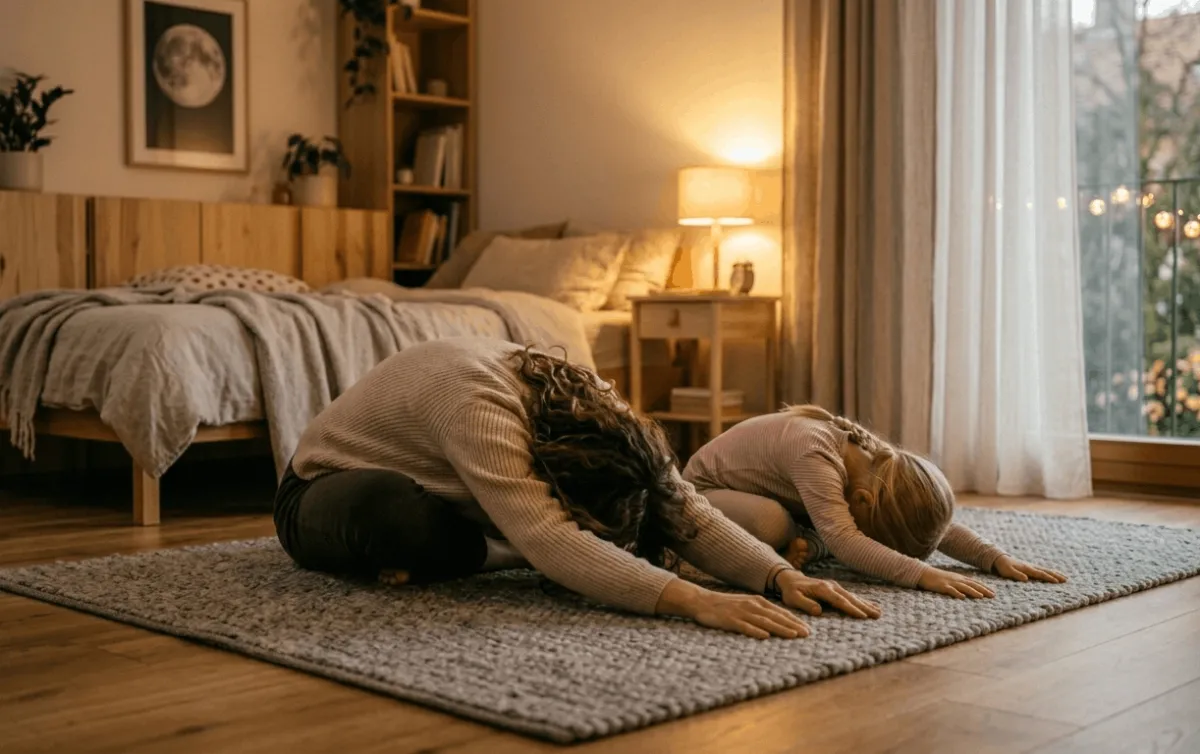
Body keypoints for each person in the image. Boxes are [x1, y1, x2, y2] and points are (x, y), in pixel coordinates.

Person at [275, 337, 881, 639]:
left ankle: (503, 540)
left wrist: (778, 576)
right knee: (398, 521)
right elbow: (550, 536)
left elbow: (680, 504)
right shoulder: (477, 408)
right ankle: (508, 548)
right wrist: (696, 600)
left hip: (464, 492)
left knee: (614, 520)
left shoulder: (597, 402)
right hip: (322, 488)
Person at [682, 406, 1067, 599]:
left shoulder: (878, 465)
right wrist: (923, 575)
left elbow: (929, 525)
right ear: (863, 501)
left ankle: (803, 540)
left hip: (766, 493)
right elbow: (847, 542)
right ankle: (799, 538)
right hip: (701, 495)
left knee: (806, 525)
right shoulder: (816, 455)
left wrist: (993, 557)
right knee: (774, 523)